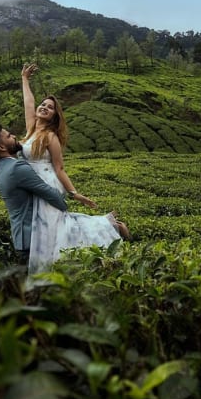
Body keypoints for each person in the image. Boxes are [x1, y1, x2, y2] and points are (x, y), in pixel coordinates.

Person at [19, 63, 130, 274]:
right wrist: (24, 79)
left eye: (49, 107)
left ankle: (109, 229)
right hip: (31, 184)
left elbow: (60, 168)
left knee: (52, 228)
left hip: (47, 183)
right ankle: (109, 225)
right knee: (44, 226)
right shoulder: (31, 127)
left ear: (54, 116)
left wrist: (74, 194)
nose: (43, 107)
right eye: (43, 104)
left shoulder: (50, 137)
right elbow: (28, 102)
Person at [0, 123, 69, 267]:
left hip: (22, 238)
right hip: (31, 240)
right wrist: (65, 202)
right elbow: (52, 195)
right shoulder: (17, 168)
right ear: (2, 147)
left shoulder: (3, 167)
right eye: (9, 136)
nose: (15, 136)